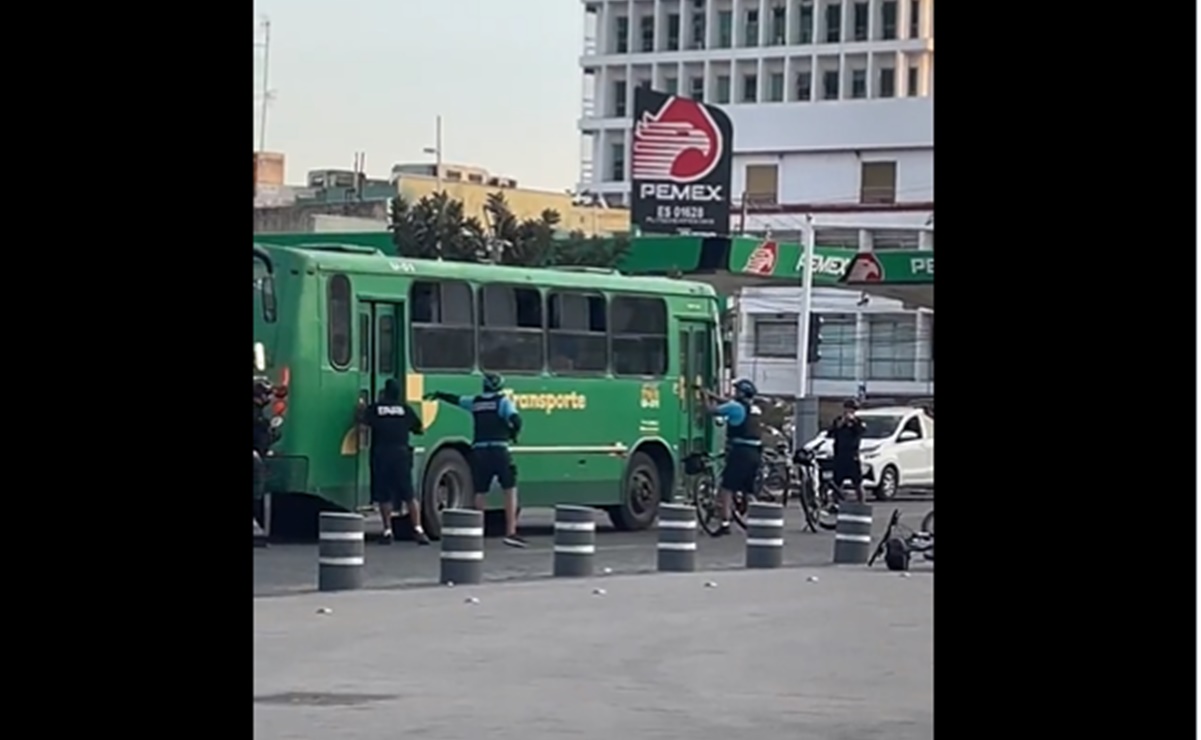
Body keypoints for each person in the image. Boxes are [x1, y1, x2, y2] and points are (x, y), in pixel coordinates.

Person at [425, 373, 526, 548]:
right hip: (499, 449)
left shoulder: (476, 402)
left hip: (479, 450)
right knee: (509, 489)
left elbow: (457, 400)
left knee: (480, 491)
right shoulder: (502, 402)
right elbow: (516, 419)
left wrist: (439, 395)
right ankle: (511, 532)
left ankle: (478, 529)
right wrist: (513, 434)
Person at [358, 378, 428, 545]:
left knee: (384, 495)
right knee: (409, 494)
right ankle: (418, 530)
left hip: (382, 454)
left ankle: (387, 531)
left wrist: (361, 408)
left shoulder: (375, 408)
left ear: (385, 392)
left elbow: (363, 423)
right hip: (401, 454)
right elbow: (419, 429)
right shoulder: (405, 409)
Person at [700, 377, 762, 537]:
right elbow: (728, 402)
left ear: (741, 393)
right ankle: (762, 521)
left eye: (737, 390)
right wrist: (715, 395)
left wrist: (704, 396)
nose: (735, 393)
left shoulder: (735, 407)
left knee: (727, 488)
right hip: (756, 451)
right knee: (749, 490)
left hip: (740, 451)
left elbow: (710, 411)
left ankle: (725, 523)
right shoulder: (753, 409)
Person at [827, 398, 867, 505]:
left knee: (857, 482)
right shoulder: (838, 420)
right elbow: (830, 432)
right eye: (847, 408)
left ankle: (861, 503)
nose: (849, 411)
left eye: (852, 409)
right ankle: (835, 503)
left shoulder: (858, 422)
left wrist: (852, 422)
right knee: (836, 482)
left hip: (852, 455)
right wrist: (842, 423)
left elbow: (861, 431)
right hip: (839, 455)